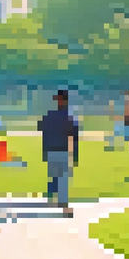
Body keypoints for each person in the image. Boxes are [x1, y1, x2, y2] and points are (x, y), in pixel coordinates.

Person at [38, 89, 80, 218]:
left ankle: (51, 195)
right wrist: (75, 155)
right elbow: (74, 137)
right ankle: (63, 205)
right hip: (62, 149)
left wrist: (44, 152)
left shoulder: (49, 116)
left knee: (54, 175)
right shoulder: (69, 117)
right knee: (63, 178)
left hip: (51, 149)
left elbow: (42, 131)